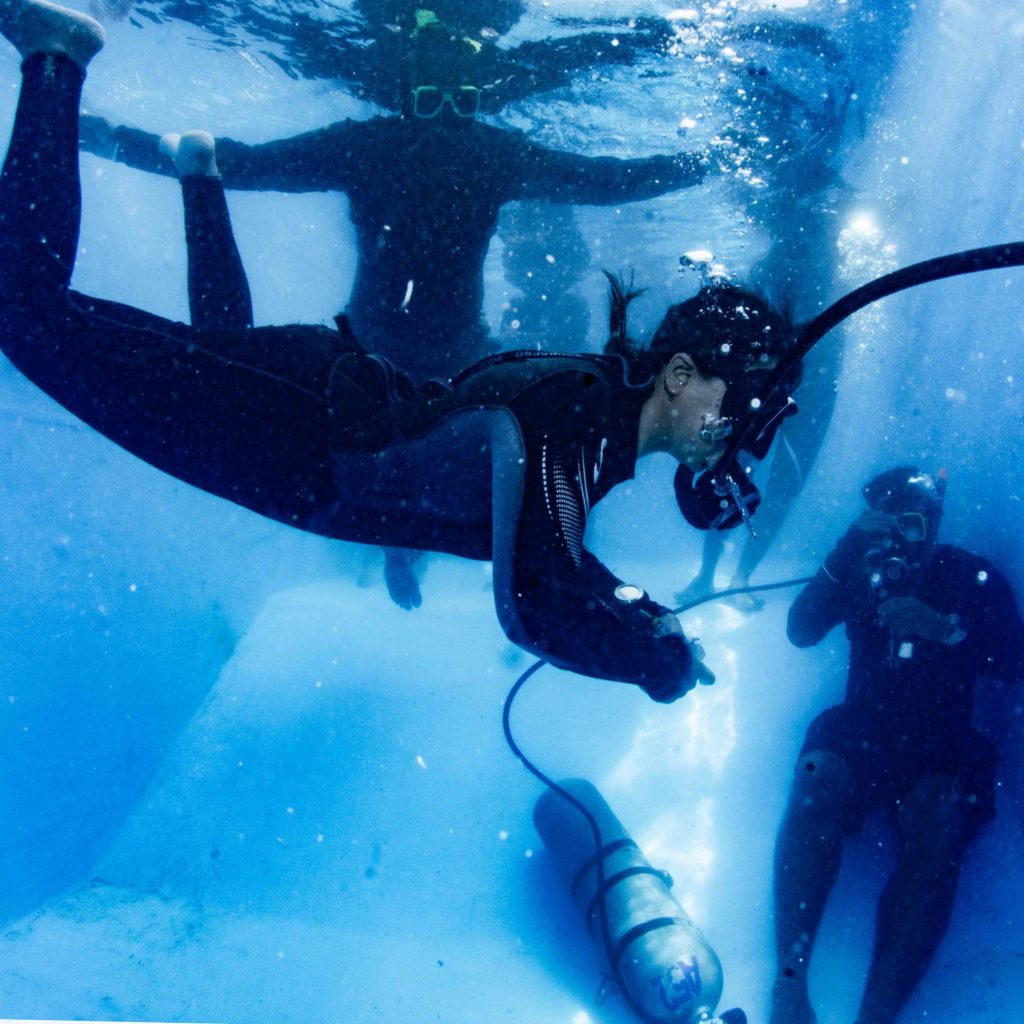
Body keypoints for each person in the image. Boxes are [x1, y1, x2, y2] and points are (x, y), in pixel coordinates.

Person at [0, 0, 798, 703]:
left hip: (316, 418)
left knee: (210, 351)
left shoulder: (598, 423)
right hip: (300, 440)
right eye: (741, 401)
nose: (741, 427)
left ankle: (194, 174)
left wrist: (641, 614)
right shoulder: (583, 418)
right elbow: (532, 601)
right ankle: (56, 58)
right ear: (682, 374)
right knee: (27, 319)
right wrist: (647, 662)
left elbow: (549, 550)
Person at [771, 466, 1024, 1024]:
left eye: (917, 522)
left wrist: (948, 630)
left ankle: (877, 1015)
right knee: (816, 774)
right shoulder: (859, 570)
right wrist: (848, 547)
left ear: (936, 522)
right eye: (894, 523)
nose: (907, 537)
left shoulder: (969, 575)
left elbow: (1014, 660)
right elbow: (801, 629)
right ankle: (789, 985)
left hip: (941, 738)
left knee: (939, 814)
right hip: (864, 723)